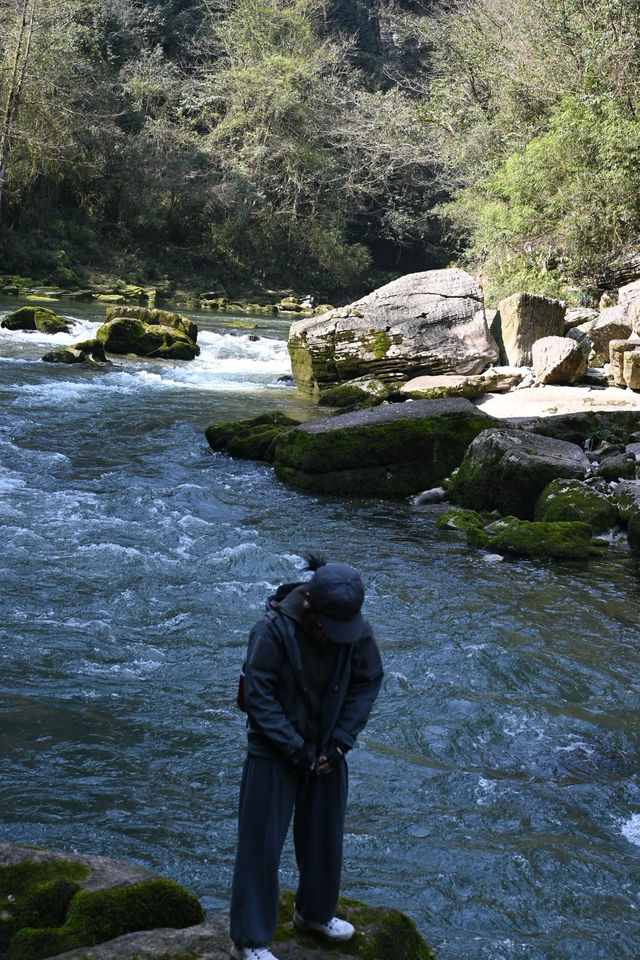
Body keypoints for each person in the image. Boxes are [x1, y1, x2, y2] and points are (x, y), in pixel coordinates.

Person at [229, 553, 383, 960]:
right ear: (311, 605)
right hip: (273, 750)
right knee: (260, 846)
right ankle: (250, 941)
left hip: (327, 747)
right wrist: (292, 747)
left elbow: (368, 682)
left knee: (325, 837)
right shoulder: (271, 630)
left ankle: (314, 914)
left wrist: (341, 743)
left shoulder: (356, 629)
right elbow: (258, 695)